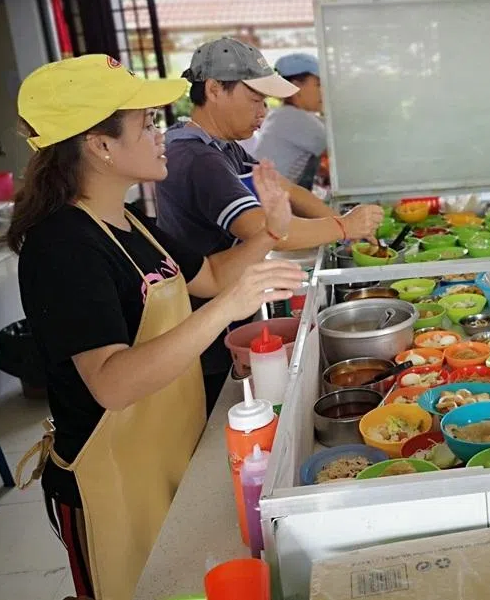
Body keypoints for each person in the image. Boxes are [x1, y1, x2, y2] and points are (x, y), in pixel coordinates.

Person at [10, 55, 306, 600]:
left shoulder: (130, 225)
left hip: (170, 449)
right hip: (114, 479)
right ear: (100, 145)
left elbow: (212, 275)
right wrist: (228, 308)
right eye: (146, 123)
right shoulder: (62, 245)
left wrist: (270, 233)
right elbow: (113, 381)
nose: (160, 134)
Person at [157, 37, 382, 412]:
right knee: (218, 406)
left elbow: (284, 188)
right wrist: (344, 227)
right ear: (214, 89)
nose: (262, 111)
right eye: (254, 99)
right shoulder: (196, 157)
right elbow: (264, 227)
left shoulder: (219, 145)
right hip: (202, 314)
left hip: (224, 298)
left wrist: (341, 222)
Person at [253, 52, 327, 191]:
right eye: (318, 84)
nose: (323, 91)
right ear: (295, 87)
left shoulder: (283, 115)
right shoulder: (293, 119)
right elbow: (339, 149)